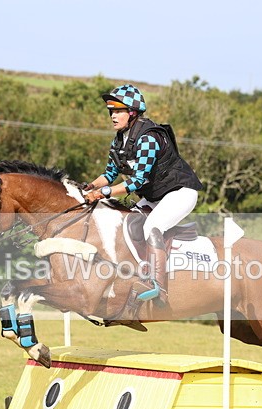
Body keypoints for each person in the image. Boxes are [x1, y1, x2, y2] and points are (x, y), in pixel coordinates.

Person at [84, 84, 202, 305]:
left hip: (180, 193)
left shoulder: (148, 137)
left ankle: (158, 288)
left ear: (132, 113)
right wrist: (89, 187)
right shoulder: (119, 140)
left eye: (118, 111)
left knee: (151, 227)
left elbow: (139, 180)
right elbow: (109, 175)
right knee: (124, 222)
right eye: (111, 111)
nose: (112, 116)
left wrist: (104, 193)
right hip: (156, 197)